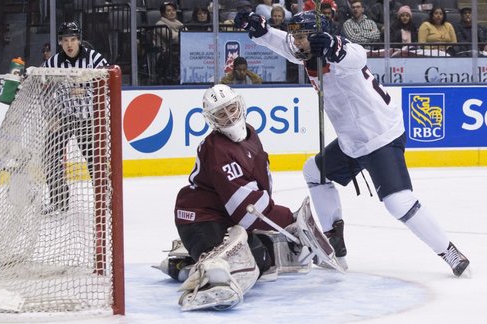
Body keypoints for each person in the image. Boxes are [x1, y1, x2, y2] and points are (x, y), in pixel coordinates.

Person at [234, 10, 471, 277]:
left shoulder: (340, 54)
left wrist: (335, 46)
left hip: (379, 135)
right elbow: (284, 44)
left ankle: (449, 251)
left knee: (398, 202)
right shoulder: (307, 51)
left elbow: (356, 54)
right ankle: (335, 243)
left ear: (316, 37)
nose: (296, 42)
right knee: (314, 171)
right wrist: (262, 31)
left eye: (301, 36)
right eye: (295, 36)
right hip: (352, 140)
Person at [170, 84, 338, 311]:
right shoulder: (217, 148)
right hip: (199, 218)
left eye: (231, 108)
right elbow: (246, 209)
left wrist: (286, 222)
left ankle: (188, 259)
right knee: (235, 266)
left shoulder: (249, 133)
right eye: (221, 113)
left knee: (263, 260)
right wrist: (288, 219)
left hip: (225, 219)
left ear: (240, 105)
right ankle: (202, 271)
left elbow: (257, 190)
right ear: (212, 119)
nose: (229, 117)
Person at [41, 21, 109, 214]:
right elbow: (42, 90)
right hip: (64, 117)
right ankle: (60, 201)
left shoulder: (94, 58)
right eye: (65, 40)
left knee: (94, 160)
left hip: (89, 119)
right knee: (50, 155)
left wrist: (86, 91)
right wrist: (51, 116)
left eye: (72, 39)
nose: (69, 44)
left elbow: (107, 87)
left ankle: (104, 200)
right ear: (60, 43)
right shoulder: (54, 62)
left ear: (79, 40)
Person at [155, 1, 185, 84]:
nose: (172, 12)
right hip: (163, 53)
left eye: (173, 10)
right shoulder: (160, 24)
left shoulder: (180, 24)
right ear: (163, 14)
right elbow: (174, 38)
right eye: (168, 11)